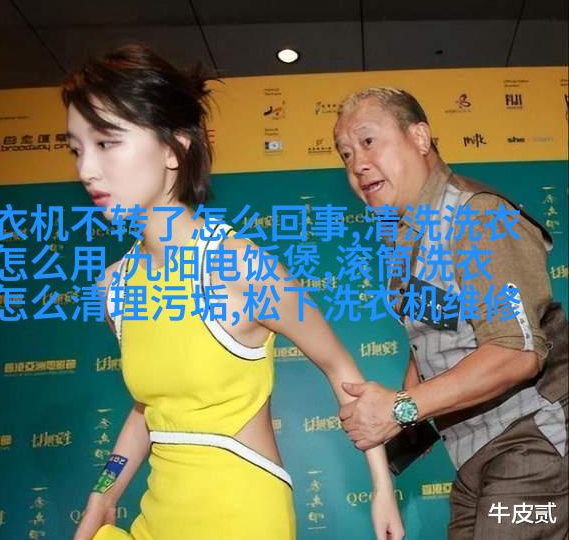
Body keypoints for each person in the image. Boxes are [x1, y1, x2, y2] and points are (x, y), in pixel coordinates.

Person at [64, 44, 404, 540]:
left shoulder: (241, 267)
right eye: (76, 149)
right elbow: (148, 409)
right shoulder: (114, 285)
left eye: (106, 143)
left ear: (173, 148)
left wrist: (382, 488)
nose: (86, 170)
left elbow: (340, 369)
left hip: (243, 515)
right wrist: (104, 493)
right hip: (156, 519)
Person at [333, 87, 568, 539]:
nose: (357, 163)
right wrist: (392, 431)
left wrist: (400, 408)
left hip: (534, 447)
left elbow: (515, 352)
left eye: (368, 141)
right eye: (346, 154)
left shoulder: (477, 218)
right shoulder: (404, 237)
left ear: (420, 138)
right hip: (476, 457)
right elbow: (433, 343)